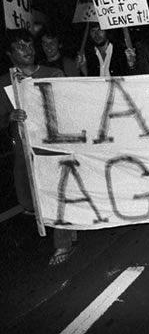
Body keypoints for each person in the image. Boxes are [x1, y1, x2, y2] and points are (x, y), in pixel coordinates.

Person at [0, 29, 76, 266]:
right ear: (10, 53)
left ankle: (62, 242)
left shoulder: (53, 74)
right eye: (21, 47)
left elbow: (70, 103)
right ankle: (69, 223)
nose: (28, 51)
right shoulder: (4, 83)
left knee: (55, 193)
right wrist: (10, 117)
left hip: (51, 148)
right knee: (29, 202)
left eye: (30, 46)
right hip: (24, 150)